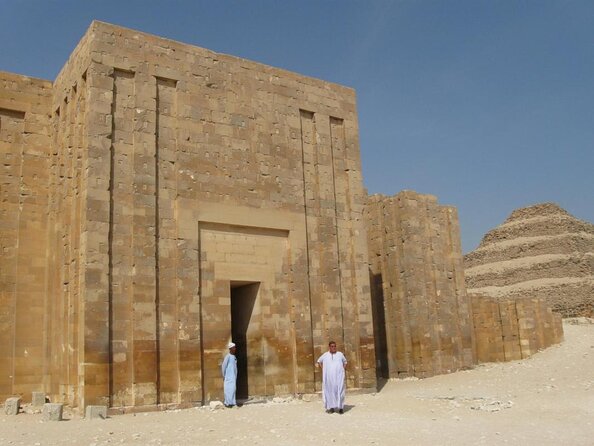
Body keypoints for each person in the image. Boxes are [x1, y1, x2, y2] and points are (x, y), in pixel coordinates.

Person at [317, 341, 347, 414]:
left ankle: (340, 408)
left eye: (334, 346)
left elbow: (345, 362)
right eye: (332, 346)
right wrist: (324, 369)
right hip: (329, 378)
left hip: (339, 377)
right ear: (329, 347)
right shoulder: (325, 355)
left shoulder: (340, 354)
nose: (333, 347)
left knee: (340, 391)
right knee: (330, 391)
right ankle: (331, 407)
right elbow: (319, 361)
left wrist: (342, 370)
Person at [221, 342, 237, 407]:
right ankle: (227, 403)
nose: (235, 349)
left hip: (233, 377)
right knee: (228, 390)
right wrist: (224, 375)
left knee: (233, 389)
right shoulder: (227, 356)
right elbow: (223, 366)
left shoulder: (233, 356)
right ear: (230, 349)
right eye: (234, 347)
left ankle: (232, 402)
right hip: (228, 376)